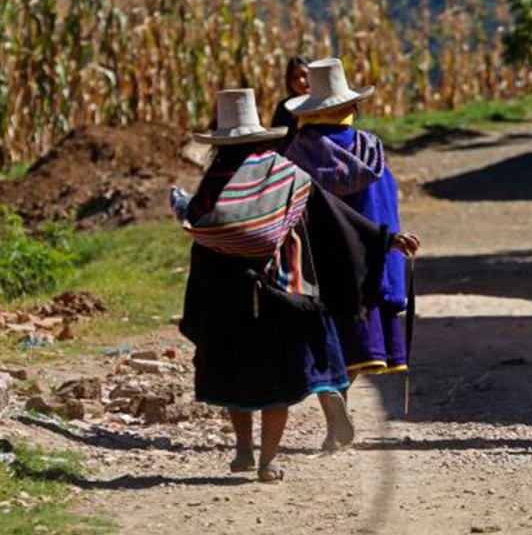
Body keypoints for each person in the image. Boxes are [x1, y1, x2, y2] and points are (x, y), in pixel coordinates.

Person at [174, 89, 419, 480]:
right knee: (277, 380)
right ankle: (269, 461)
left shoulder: (214, 180)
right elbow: (332, 215)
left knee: (237, 373)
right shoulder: (282, 172)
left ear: (220, 143)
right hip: (278, 291)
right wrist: (384, 239)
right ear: (260, 137)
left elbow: (199, 234)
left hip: (226, 296)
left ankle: (242, 452)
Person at [285, 58, 412, 451]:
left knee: (325, 341)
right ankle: (340, 399)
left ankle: (331, 407)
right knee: (360, 344)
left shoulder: (296, 154)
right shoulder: (370, 150)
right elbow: (384, 207)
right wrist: (389, 247)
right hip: (370, 262)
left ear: (311, 111)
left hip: (318, 266)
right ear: (351, 108)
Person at [271, 56, 310, 152]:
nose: (300, 81)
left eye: (304, 75)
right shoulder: (284, 108)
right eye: (295, 78)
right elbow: (277, 140)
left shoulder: (324, 103)